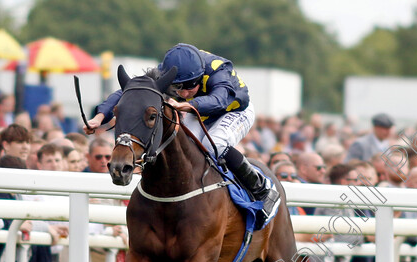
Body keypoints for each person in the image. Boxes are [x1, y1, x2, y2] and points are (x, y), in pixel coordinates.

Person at [84, 43, 280, 222]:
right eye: (179, 88)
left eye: (190, 86)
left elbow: (219, 100)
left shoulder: (218, 71)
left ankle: (261, 188)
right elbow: (130, 90)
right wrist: (100, 115)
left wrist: (186, 104)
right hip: (196, 110)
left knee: (217, 144)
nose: (185, 92)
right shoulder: (164, 72)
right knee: (186, 148)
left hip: (233, 110)